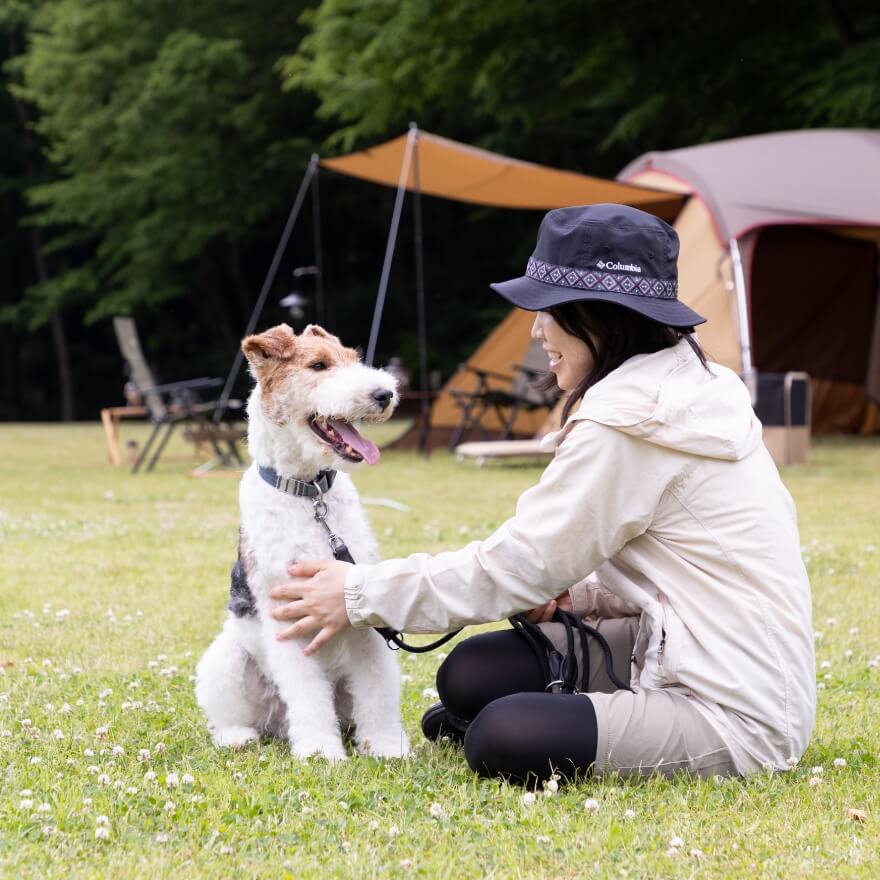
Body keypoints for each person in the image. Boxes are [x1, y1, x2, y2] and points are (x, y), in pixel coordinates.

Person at [268, 204, 815, 784]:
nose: (535, 329)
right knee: (469, 677)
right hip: (682, 644)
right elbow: (679, 566)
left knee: (503, 736)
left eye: (547, 310)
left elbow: (517, 566)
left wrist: (358, 592)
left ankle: (581, 722)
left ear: (601, 315)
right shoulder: (689, 383)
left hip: (735, 706)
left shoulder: (631, 424)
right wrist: (577, 598)